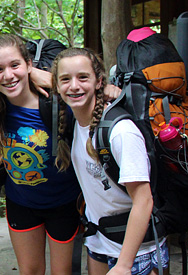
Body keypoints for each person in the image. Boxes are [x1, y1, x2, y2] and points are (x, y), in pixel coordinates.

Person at [52, 47, 168, 275]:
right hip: (100, 243)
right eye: (65, 79)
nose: (74, 86)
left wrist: (124, 265)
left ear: (99, 82)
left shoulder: (120, 132)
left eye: (82, 77)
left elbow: (144, 201)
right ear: (56, 86)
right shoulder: (75, 123)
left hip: (137, 253)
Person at [0, 34, 81, 275]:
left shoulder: (57, 102)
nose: (9, 75)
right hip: (21, 202)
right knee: (30, 271)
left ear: (29, 65)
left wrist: (52, 79)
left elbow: (99, 90)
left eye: (15, 65)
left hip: (63, 202)